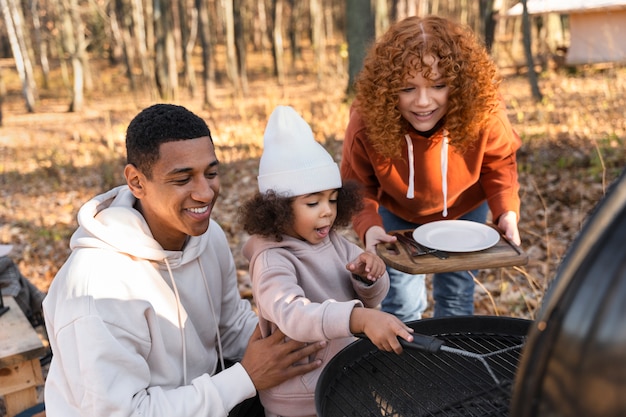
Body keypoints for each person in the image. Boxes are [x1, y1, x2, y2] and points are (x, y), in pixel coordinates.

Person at [42, 104, 327, 417]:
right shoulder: (95, 287)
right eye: (182, 179)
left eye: (211, 173)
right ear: (136, 182)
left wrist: (308, 333)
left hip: (211, 398)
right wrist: (245, 378)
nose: (205, 193)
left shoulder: (209, 237)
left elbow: (231, 327)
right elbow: (122, 413)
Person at [341, 15, 522, 321]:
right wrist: (370, 227)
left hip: (465, 210)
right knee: (402, 300)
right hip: (398, 212)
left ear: (460, 84)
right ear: (386, 89)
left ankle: (451, 362)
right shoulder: (366, 123)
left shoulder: (483, 111)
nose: (423, 102)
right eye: (407, 89)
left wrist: (506, 211)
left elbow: (499, 161)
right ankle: (409, 364)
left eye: (438, 85)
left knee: (456, 293)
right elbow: (357, 184)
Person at [239, 105, 414, 417]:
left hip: (345, 380)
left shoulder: (331, 239)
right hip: (298, 400)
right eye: (312, 202)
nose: (327, 212)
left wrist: (368, 277)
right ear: (277, 208)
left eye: (332, 200)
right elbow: (293, 315)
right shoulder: (272, 259)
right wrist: (358, 320)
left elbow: (370, 297)